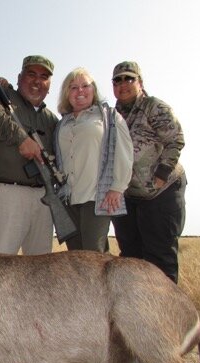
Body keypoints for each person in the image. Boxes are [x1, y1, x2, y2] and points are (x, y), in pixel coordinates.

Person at [110, 61, 186, 283]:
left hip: (160, 194)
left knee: (159, 258)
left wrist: (162, 174)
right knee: (132, 259)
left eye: (129, 78)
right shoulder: (112, 116)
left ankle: (169, 316)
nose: (123, 84)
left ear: (140, 83)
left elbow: (176, 139)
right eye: (118, 80)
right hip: (129, 197)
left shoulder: (154, 107)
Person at [0, 55, 59, 255]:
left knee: (40, 268)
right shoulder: (0, 96)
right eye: (31, 74)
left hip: (43, 198)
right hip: (6, 193)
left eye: (44, 77)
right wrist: (22, 139)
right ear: (19, 77)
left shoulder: (52, 119)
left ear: (49, 84)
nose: (37, 81)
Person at [54, 68, 133, 253]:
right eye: (73, 87)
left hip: (96, 197)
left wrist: (117, 187)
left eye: (85, 86)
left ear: (93, 89)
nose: (80, 91)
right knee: (75, 258)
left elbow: (125, 153)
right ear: (67, 93)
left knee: (93, 256)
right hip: (68, 199)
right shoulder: (61, 124)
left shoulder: (109, 117)